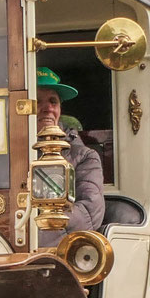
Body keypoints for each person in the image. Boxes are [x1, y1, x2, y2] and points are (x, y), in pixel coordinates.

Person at [34, 67, 105, 235]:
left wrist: (35, 232)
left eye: (53, 101)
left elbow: (89, 213)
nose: (48, 108)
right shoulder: (5, 156)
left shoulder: (85, 157)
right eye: (37, 101)